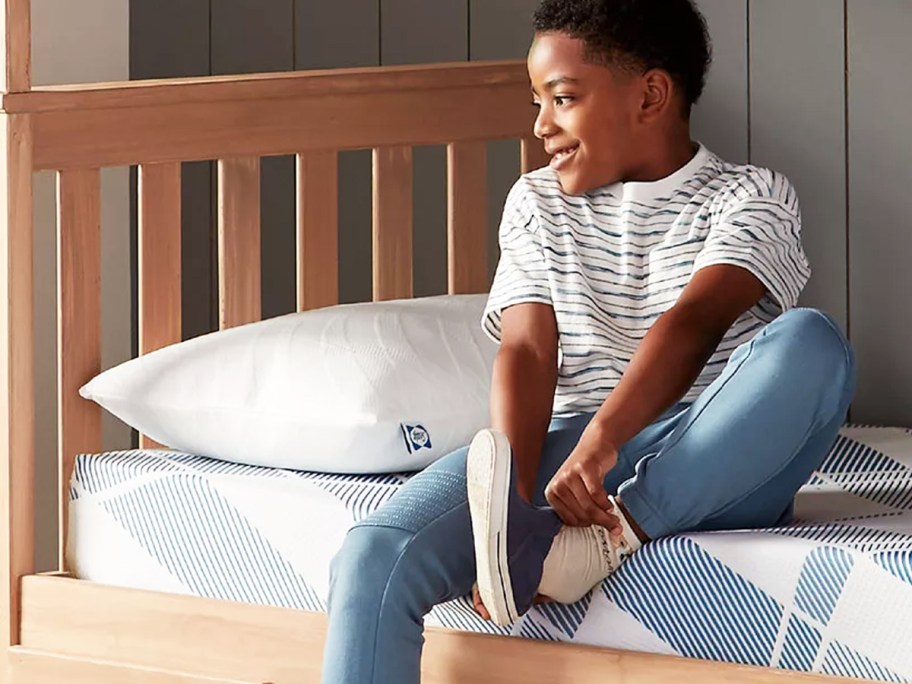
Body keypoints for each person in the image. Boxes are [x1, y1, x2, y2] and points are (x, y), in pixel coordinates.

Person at [321, 0, 856, 681]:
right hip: (567, 455)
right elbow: (528, 352)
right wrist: (511, 512)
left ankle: (601, 544)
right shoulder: (537, 202)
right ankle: (542, 545)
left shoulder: (750, 196)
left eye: (563, 98)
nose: (541, 125)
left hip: (713, 451)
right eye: (537, 101)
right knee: (373, 554)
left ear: (651, 95)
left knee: (812, 343)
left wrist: (604, 442)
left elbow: (694, 323)